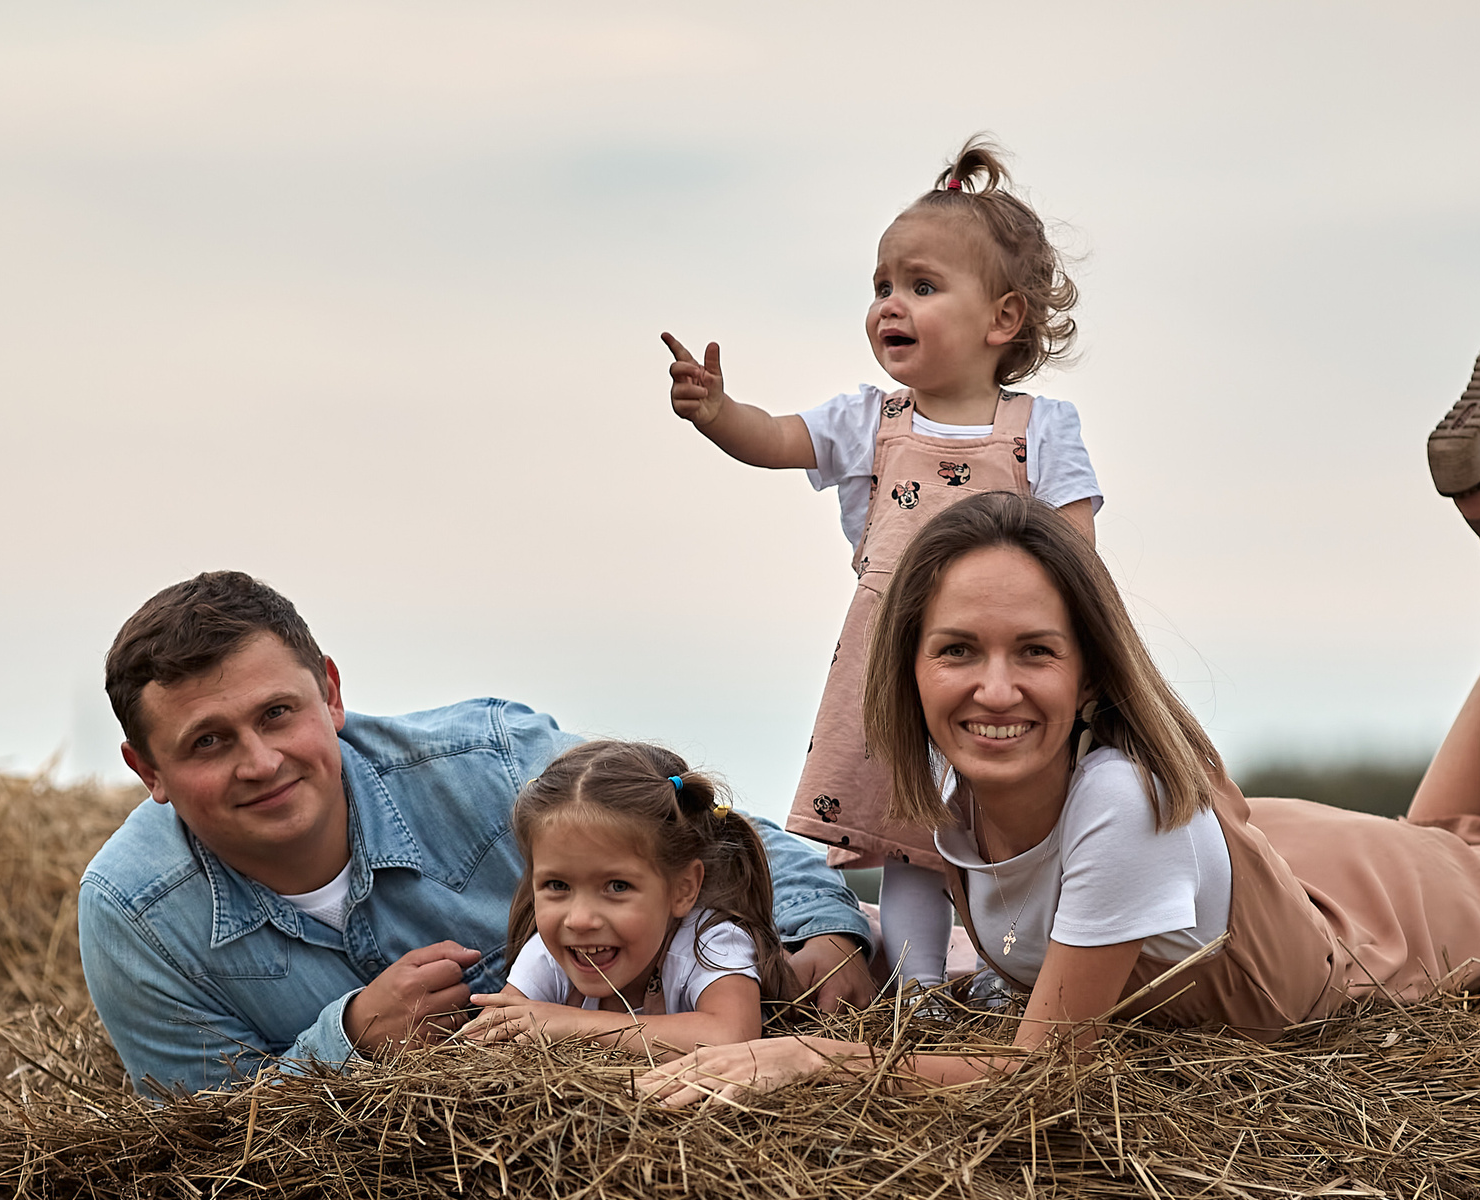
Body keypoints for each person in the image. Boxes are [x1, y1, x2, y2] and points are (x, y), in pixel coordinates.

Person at [641, 311, 1480, 1104]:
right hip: (1277, 873)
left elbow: (1047, 1073)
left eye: (1034, 652)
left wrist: (812, 1067)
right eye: (958, 653)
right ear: (908, 668)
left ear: (1089, 669)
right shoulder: (952, 794)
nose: (993, 689)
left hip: (1332, 938)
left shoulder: (1120, 807)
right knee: (1457, 844)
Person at [78, 573, 874, 1095]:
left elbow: (712, 828)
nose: (261, 761)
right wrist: (350, 1039)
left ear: (329, 691)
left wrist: (833, 935)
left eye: (277, 714)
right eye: (209, 742)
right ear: (147, 768)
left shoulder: (492, 760)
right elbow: (206, 1139)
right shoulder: (134, 914)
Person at [661, 136, 1100, 995]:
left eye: (922, 286)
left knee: (1015, 828)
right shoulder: (871, 418)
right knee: (911, 843)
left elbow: (1080, 555)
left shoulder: (1040, 428)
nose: (890, 304)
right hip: (895, 666)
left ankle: (1020, 975)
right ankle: (918, 996)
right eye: (882, 285)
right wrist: (717, 412)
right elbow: (779, 438)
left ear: (1001, 319)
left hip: (1000, 665)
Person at [460, 742, 793, 1054]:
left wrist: (571, 1024)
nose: (579, 920)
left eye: (617, 886)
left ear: (683, 889)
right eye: (558, 885)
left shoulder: (712, 942)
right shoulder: (549, 954)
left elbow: (732, 1036)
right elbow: (492, 1039)